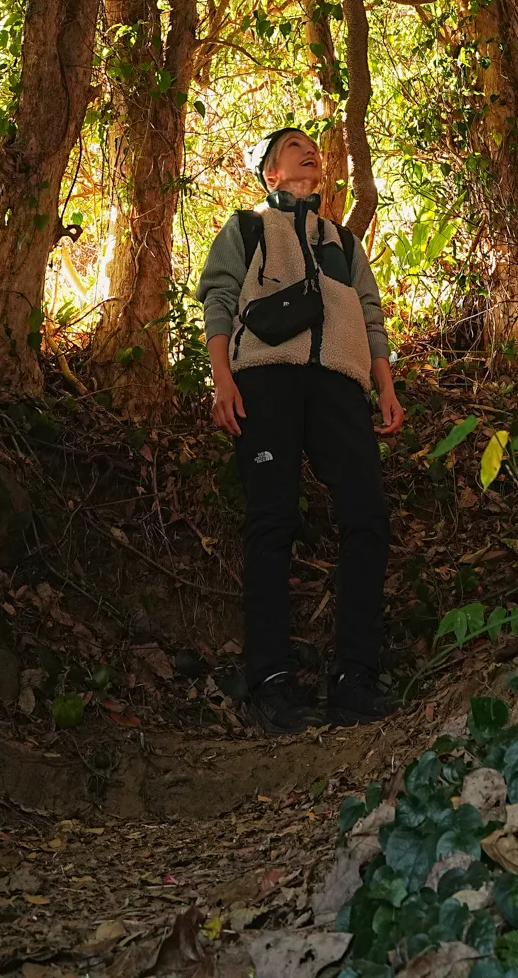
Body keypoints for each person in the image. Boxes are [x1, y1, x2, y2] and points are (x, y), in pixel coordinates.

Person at [196, 125, 404, 733]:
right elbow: (219, 298)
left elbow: (370, 313)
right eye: (294, 147)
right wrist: (222, 379)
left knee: (367, 515)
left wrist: (385, 385)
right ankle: (270, 680)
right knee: (272, 518)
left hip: (340, 383)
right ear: (272, 173)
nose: (310, 151)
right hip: (265, 378)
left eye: (313, 145)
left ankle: (354, 679)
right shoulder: (248, 228)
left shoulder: (344, 242)